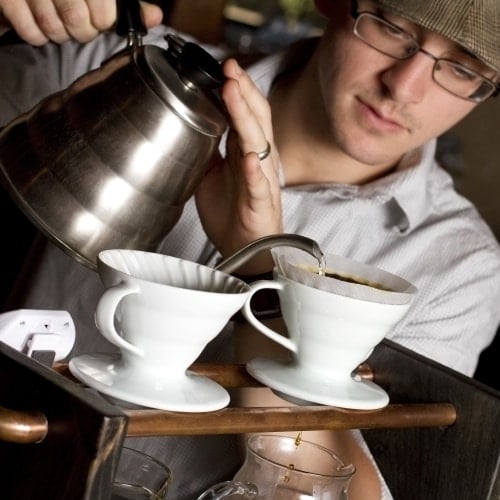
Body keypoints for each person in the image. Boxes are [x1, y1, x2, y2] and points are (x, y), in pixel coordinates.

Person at [1, 0, 499, 498]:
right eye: (390, 28)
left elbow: (332, 492)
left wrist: (265, 268)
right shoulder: (125, 67)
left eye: (463, 67)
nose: (404, 86)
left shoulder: (458, 269)